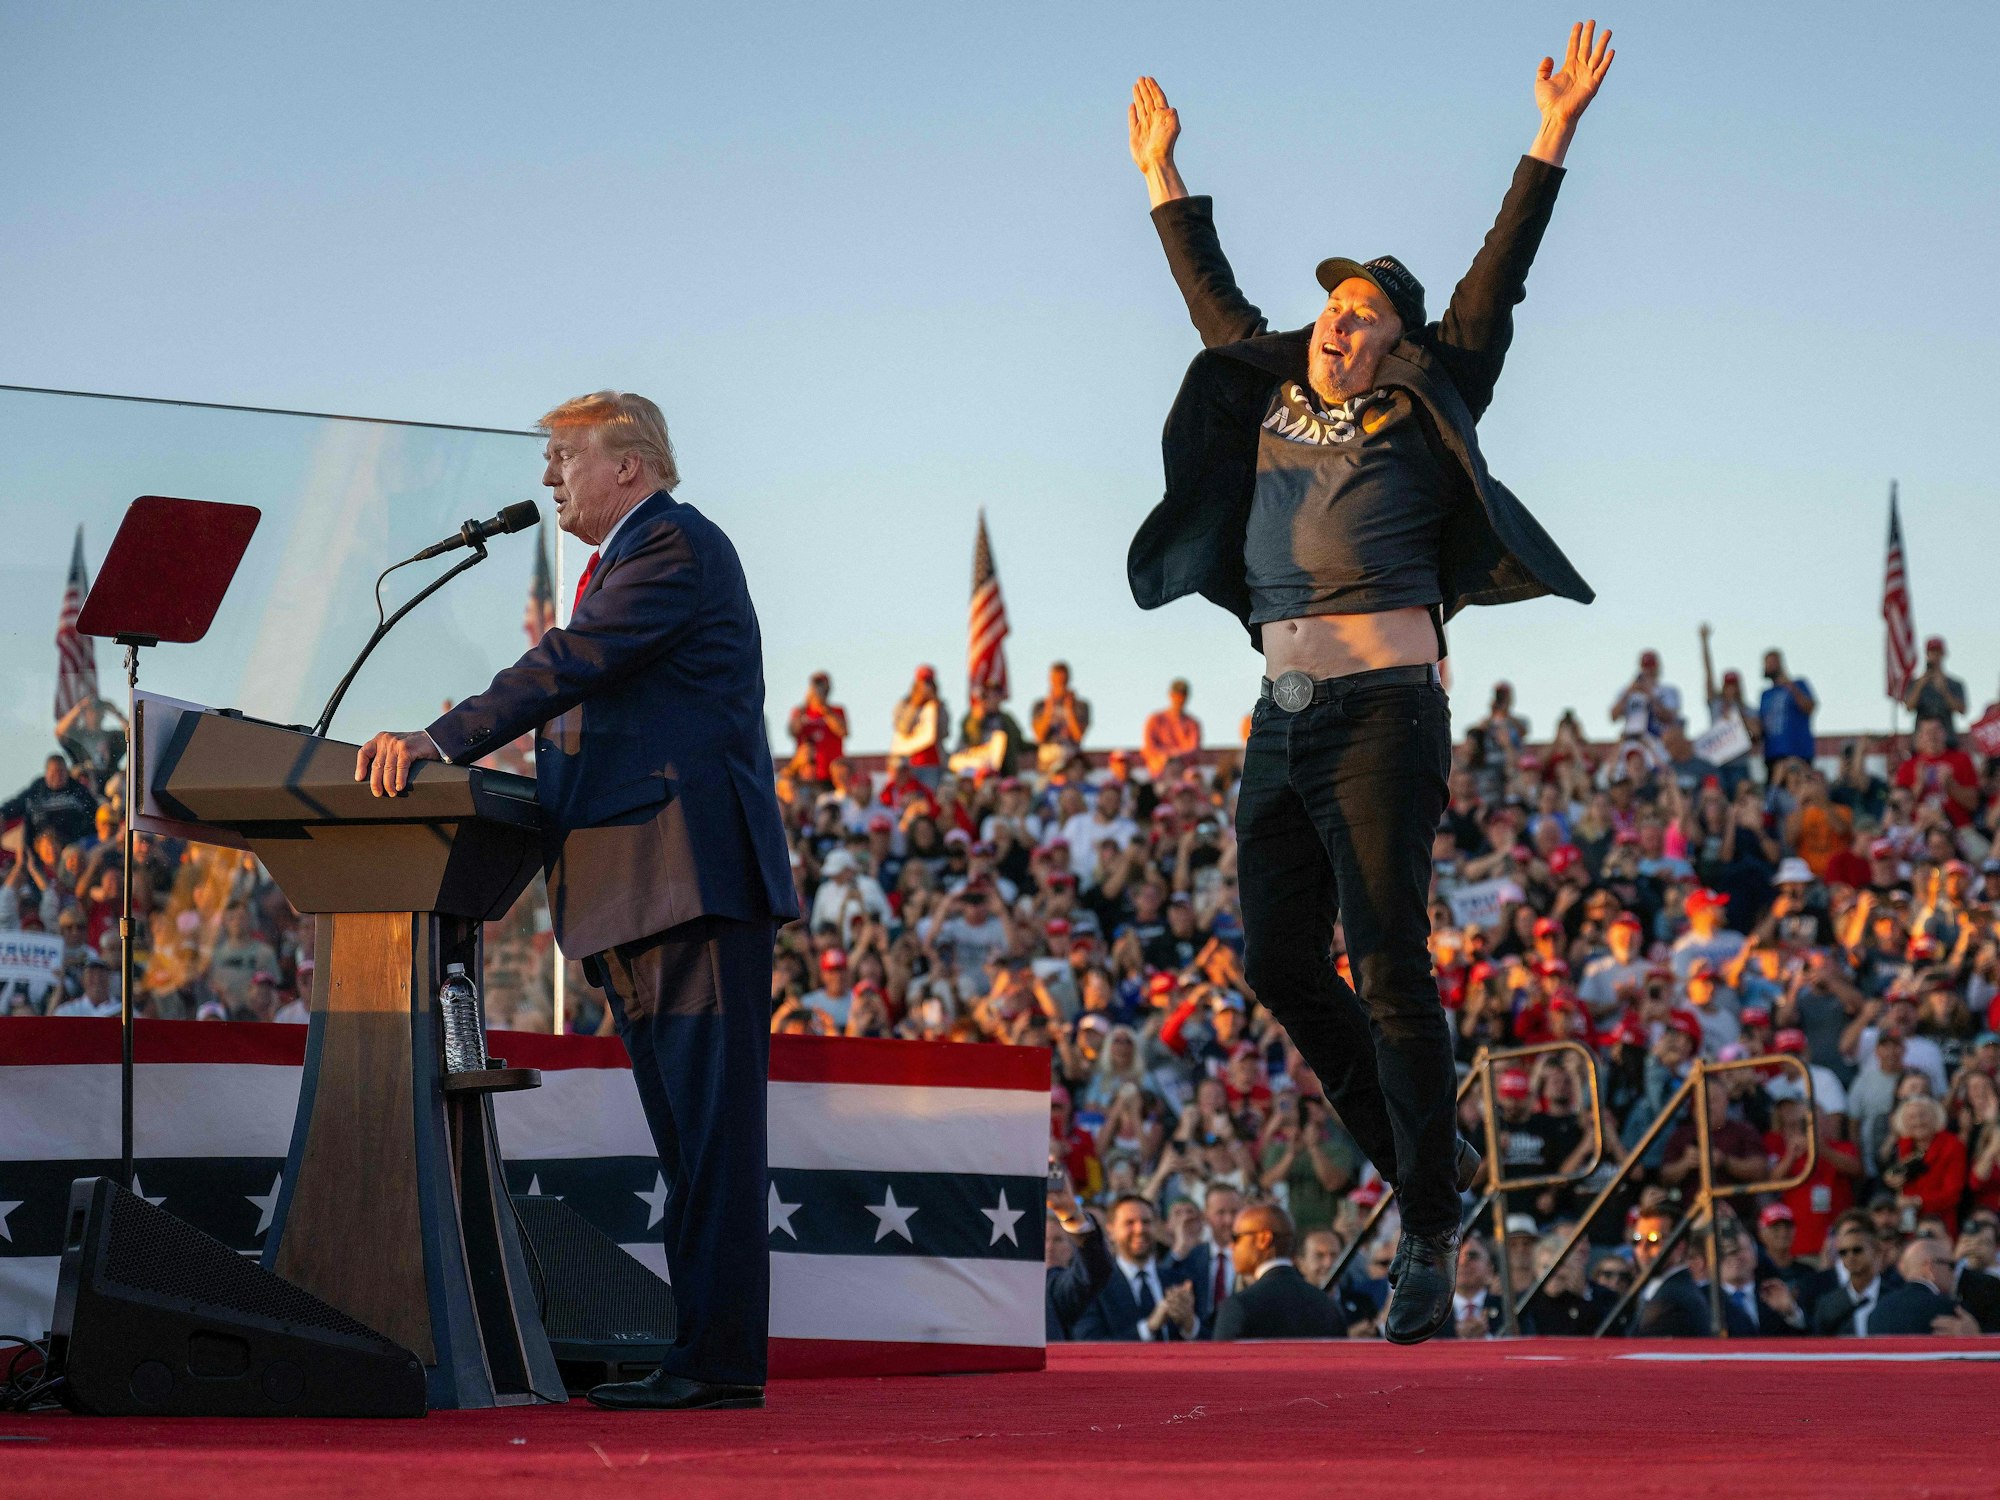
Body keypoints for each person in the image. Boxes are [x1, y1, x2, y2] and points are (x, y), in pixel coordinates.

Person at [1123, 20, 1614, 1344]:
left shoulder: (1431, 391)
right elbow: (1211, 300)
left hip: (1388, 713)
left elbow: (1498, 279)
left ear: (1398, 341)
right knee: (1279, 957)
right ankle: (1421, 1173)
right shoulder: (1274, 384)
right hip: (1282, 720)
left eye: (1367, 314)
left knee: (1390, 960)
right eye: (1335, 306)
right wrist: (1164, 177)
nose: (1342, 322)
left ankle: (1429, 1240)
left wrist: (1551, 133)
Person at [356, 390, 797, 1412]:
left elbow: (570, 664)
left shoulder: (671, 549)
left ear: (628, 466)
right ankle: (705, 1351)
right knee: (688, 1141)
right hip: (641, 885)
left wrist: (440, 740)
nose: (549, 476)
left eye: (565, 456)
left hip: (686, 881)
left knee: (709, 1137)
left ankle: (718, 1362)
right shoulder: (632, 557)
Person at [1072, 1195, 1200, 1341]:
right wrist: (1148, 1327)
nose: (1139, 1229)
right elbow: (1089, 1344)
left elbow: (1212, 1338)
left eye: (1146, 1222)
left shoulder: (1180, 1280)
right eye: (1129, 1223)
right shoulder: (1093, 1287)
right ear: (1111, 1230)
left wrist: (1190, 1325)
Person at [1213, 1203, 1343, 1340]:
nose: (1232, 1246)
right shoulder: (1328, 1306)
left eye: (1236, 1238)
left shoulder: (1238, 1307)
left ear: (1264, 1239)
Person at [1044, 1175, 1115, 1341]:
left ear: (1072, 1248)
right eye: (1043, 1240)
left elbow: (1094, 1270)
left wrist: (1071, 1214)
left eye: (1058, 1240)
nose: (1049, 1247)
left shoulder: (1054, 1289)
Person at [1869, 1237, 1983, 1336]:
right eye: (1951, 1266)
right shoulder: (1950, 1310)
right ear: (1930, 1267)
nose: (1954, 1274)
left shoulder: (1878, 1311)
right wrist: (1974, 1337)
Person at [1628, 1204, 1712, 1337]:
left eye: (1653, 1239)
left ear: (1679, 1246)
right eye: (1637, 1239)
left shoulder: (1672, 1299)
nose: (1642, 1248)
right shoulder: (1667, 1290)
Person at [1756, 650, 1817, 776]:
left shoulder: (1799, 684)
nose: (1767, 666)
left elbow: (1809, 707)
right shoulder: (1765, 695)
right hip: (1772, 756)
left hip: (1799, 753)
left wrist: (1791, 687)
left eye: (1771, 662)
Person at [785, 672, 847, 785]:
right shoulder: (800, 712)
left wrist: (824, 708)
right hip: (806, 775)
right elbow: (792, 731)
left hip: (830, 777)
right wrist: (806, 703)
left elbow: (843, 731)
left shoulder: (837, 711)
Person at [1902, 636, 1968, 739]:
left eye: (1938, 653)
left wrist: (1944, 690)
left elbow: (1962, 709)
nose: (1935, 656)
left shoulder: (1954, 684)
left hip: (1947, 738)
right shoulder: (1916, 683)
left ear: (1943, 655)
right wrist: (1920, 685)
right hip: (1922, 740)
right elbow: (1909, 707)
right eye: (1932, 652)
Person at [1031, 662, 1092, 768]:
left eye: (1062, 680)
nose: (1059, 684)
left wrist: (1070, 710)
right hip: (1048, 756)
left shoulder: (1080, 705)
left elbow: (1078, 736)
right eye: (1056, 680)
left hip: (1070, 755)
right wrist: (1049, 709)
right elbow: (1039, 736)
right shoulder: (1040, 705)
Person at [1142, 678, 1202, 780]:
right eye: (1177, 695)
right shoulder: (1155, 719)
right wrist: (1166, 756)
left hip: (1184, 773)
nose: (1179, 699)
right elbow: (1149, 748)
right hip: (1159, 772)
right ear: (1170, 695)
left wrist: (1177, 755)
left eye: (1182, 696)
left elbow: (1194, 750)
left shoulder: (1192, 723)